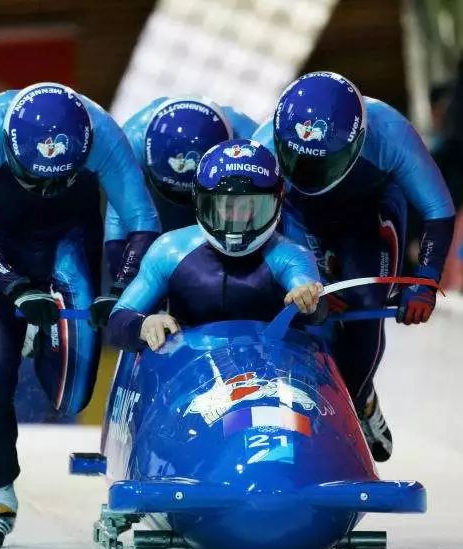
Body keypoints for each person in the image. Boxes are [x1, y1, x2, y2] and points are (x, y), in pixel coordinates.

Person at [0, 82, 160, 548]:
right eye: (33, 178)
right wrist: (16, 288)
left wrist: (119, 290)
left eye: (57, 180)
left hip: (67, 244)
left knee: (70, 397)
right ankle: (1, 496)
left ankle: (43, 336)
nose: (44, 191)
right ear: (12, 151)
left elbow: (141, 218)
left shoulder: (101, 131)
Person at [253, 71, 455, 461]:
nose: (308, 173)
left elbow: (438, 209)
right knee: (308, 310)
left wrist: (426, 280)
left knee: (364, 307)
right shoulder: (264, 143)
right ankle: (312, 410)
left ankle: (359, 400)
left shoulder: (391, 132)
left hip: (370, 215)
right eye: (295, 159)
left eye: (322, 163)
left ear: (359, 141)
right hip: (299, 216)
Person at [106, 139, 322, 353]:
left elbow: (317, 306)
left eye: (249, 206)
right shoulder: (168, 250)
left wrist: (306, 297)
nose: (236, 217)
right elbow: (118, 319)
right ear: (201, 201)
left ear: (277, 202)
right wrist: (143, 325)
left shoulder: (293, 257)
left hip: (269, 376)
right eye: (225, 205)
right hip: (189, 378)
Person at [91, 96, 258, 328]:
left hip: (219, 204)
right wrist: (123, 286)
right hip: (158, 204)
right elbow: (120, 220)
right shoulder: (131, 140)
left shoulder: (251, 143)